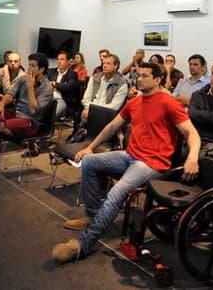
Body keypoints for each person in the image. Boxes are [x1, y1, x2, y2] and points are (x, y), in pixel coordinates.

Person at [51, 62, 201, 263]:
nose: (139, 79)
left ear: (157, 79)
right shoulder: (135, 102)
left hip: (152, 164)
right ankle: (93, 213)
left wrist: (192, 158)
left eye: (145, 76)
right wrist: (90, 148)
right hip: (130, 156)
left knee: (116, 192)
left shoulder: (168, 103)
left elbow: (192, 133)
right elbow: (112, 126)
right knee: (88, 162)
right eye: (138, 75)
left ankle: (82, 245)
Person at [0, 53, 54, 189]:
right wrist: (1, 104)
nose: (29, 68)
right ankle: (0, 121)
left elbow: (34, 111)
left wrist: (31, 87)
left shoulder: (47, 88)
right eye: (29, 65)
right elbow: (10, 94)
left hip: (29, 122)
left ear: (42, 69)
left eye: (33, 66)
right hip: (15, 114)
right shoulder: (23, 79)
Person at [70, 54, 128, 142]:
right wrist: (88, 108)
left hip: (107, 115)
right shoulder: (94, 77)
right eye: (103, 63)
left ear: (115, 66)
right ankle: (81, 137)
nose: (104, 65)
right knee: (82, 115)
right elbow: (86, 99)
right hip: (89, 112)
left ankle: (85, 137)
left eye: (108, 63)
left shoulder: (121, 83)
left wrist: (93, 111)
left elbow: (114, 107)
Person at [47, 51, 80, 119]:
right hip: (48, 98)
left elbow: (69, 87)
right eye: (58, 59)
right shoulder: (51, 71)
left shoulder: (72, 74)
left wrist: (55, 84)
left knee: (52, 115)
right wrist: (62, 85)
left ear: (68, 61)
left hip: (62, 100)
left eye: (62, 59)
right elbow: (45, 84)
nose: (59, 61)